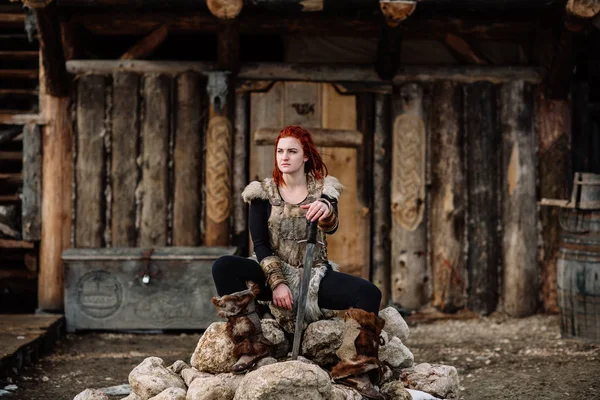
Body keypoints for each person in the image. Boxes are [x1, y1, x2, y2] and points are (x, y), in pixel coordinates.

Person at [211, 125, 385, 399]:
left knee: (369, 292)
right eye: (280, 151)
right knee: (223, 266)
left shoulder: (324, 190)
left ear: (305, 156)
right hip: (272, 272)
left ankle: (357, 370)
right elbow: (260, 245)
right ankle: (251, 346)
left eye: (292, 151)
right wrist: (277, 283)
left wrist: (326, 210)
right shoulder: (262, 193)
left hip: (313, 277)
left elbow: (331, 226)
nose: (284, 157)